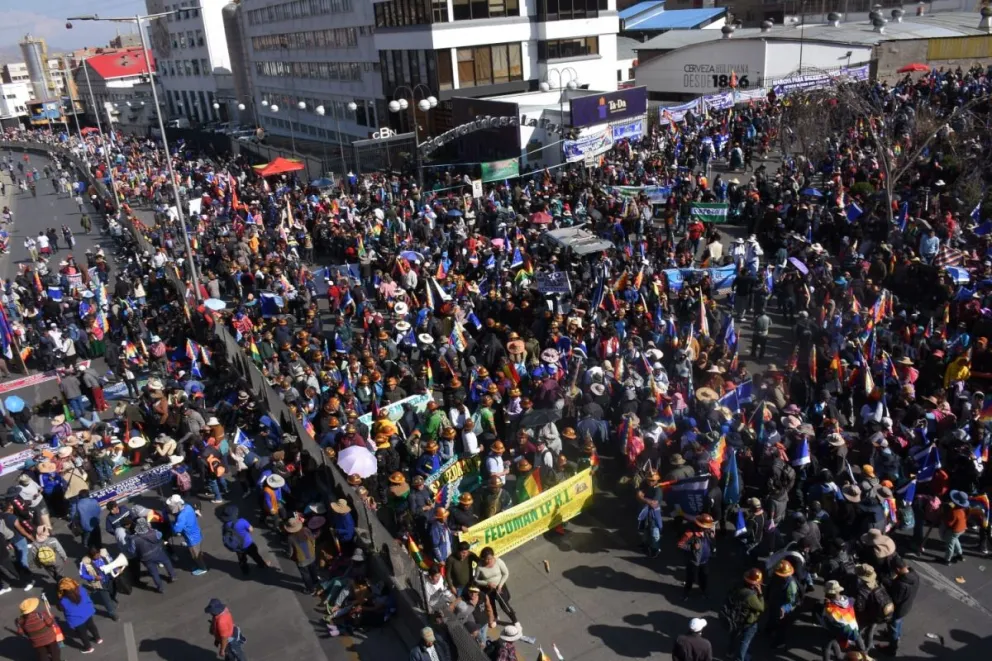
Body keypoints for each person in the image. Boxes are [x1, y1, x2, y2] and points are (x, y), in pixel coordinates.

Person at [880, 556, 919, 656]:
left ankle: (892, 648)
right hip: (906, 606)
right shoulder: (914, 575)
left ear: (897, 569)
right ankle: (895, 635)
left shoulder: (901, 584)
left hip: (898, 610)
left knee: (894, 626)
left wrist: (887, 583)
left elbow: (895, 599)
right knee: (898, 623)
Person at [723, 568, 764, 661]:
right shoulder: (751, 596)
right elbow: (761, 607)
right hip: (747, 621)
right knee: (745, 642)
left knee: (733, 635)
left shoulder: (737, 586)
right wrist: (760, 594)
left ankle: (730, 652)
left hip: (735, 617)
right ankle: (740, 659)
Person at [219, 503, 272, 575]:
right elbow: (251, 529)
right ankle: (262, 564)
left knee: (242, 560)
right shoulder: (242, 521)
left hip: (238, 546)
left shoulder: (225, 525)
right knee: (255, 555)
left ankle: (245, 571)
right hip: (248, 544)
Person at [474, 546, 518, 630]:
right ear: (483, 559)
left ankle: (515, 621)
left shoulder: (498, 561)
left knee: (505, 605)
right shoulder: (480, 566)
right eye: (486, 559)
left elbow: (506, 573)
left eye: (490, 558)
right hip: (488, 589)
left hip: (500, 587)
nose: (489, 561)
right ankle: (495, 617)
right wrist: (487, 583)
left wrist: (500, 585)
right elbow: (476, 580)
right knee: (491, 605)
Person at [130, 517, 175, 593]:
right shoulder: (154, 532)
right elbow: (160, 535)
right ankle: (173, 576)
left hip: (146, 558)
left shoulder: (133, 539)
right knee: (167, 562)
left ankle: (161, 588)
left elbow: (132, 550)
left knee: (154, 573)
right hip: (158, 552)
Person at [56, 578, 102, 654]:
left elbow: (60, 609)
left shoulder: (63, 601)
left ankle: (88, 647)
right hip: (87, 612)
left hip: (77, 620)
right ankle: (98, 638)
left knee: (82, 634)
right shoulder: (81, 589)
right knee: (92, 626)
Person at [167, 494, 208, 575]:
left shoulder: (181, 517)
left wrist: (172, 524)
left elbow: (177, 529)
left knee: (195, 555)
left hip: (192, 538)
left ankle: (202, 568)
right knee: (198, 549)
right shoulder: (188, 507)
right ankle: (199, 555)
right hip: (196, 532)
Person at [678, 513, 714, 600]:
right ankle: (686, 592)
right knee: (690, 578)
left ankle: (704, 591)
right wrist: (692, 547)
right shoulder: (690, 533)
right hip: (693, 561)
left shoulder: (708, 532)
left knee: (704, 576)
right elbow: (680, 544)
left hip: (704, 560)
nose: (708, 528)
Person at [78, 547, 119, 621]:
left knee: (113, 592)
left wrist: (116, 570)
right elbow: (82, 574)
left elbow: (111, 562)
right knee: (106, 599)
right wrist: (93, 577)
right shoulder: (84, 562)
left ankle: (112, 599)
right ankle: (112, 613)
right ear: (91, 556)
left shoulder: (104, 554)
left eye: (98, 554)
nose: (98, 556)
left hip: (110, 578)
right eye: (96, 556)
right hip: (100, 583)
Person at [15, 597, 61, 661]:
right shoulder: (41, 614)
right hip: (49, 638)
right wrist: (52, 618)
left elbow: (20, 632)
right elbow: (50, 623)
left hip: (36, 641)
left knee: (42, 655)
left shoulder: (20, 621)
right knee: (55, 652)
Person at [285, 517, 319, 594]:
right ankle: (316, 582)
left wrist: (290, 556)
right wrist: (313, 548)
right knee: (313, 569)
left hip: (301, 559)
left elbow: (290, 551)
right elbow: (313, 539)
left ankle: (311, 589)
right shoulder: (306, 530)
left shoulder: (290, 538)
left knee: (305, 575)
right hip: (311, 555)